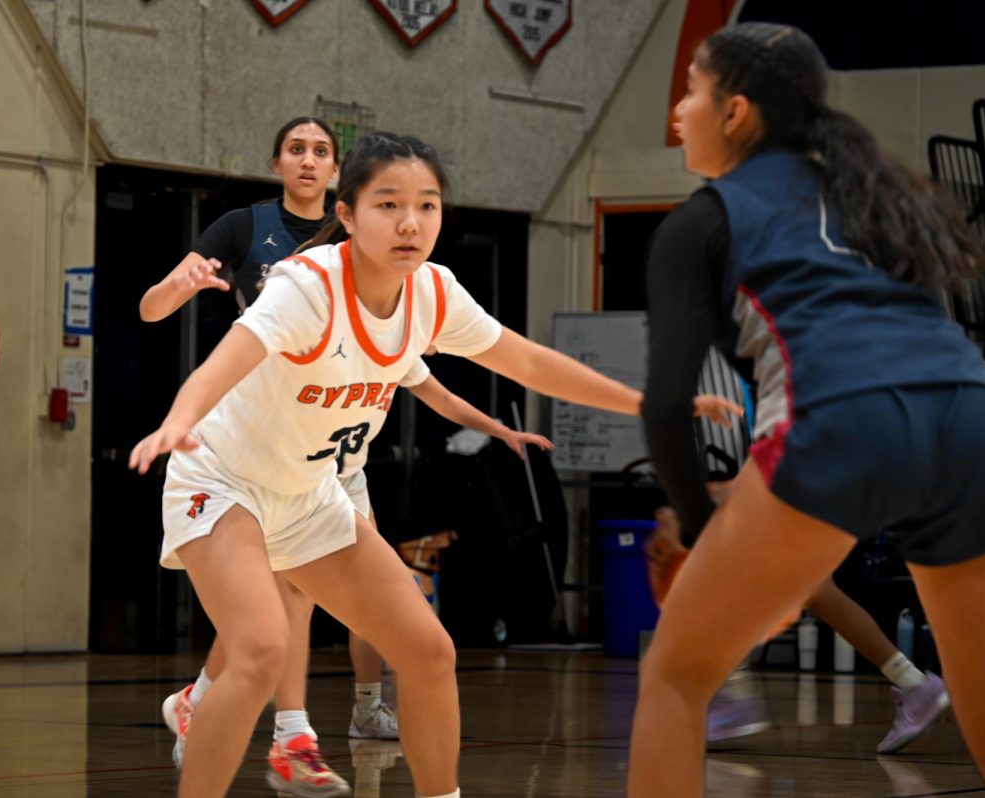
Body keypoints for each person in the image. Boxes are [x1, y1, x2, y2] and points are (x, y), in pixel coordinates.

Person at [129, 131, 739, 798]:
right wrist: (178, 423)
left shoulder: (434, 294)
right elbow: (222, 364)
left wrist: (651, 405)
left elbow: (530, 362)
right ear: (349, 213)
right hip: (222, 479)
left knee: (428, 650)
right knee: (259, 648)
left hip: (307, 494)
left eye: (428, 205)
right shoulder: (306, 288)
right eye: (389, 205)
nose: (411, 222)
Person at [631, 22, 985, 797]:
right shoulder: (884, 197)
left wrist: (701, 531)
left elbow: (666, 405)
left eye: (692, 89)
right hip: (974, 421)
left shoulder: (702, 220)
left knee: (674, 678)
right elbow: (918, 347)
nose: (677, 109)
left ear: (735, 113)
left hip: (837, 424)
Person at [143, 117, 554, 796]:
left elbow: (428, 377)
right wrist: (179, 287)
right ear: (279, 162)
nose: (307, 159)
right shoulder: (249, 235)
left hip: (328, 461)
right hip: (247, 442)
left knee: (338, 611)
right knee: (270, 626)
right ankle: (288, 731)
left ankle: (255, 709)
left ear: (336, 172)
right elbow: (153, 310)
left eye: (321, 150)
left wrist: (498, 426)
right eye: (296, 149)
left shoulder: (389, 265)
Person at [647, 505, 949, 751]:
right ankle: (913, 684)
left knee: (742, 575)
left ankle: (731, 695)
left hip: (808, 479)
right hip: (830, 483)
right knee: (818, 592)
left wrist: (681, 510)